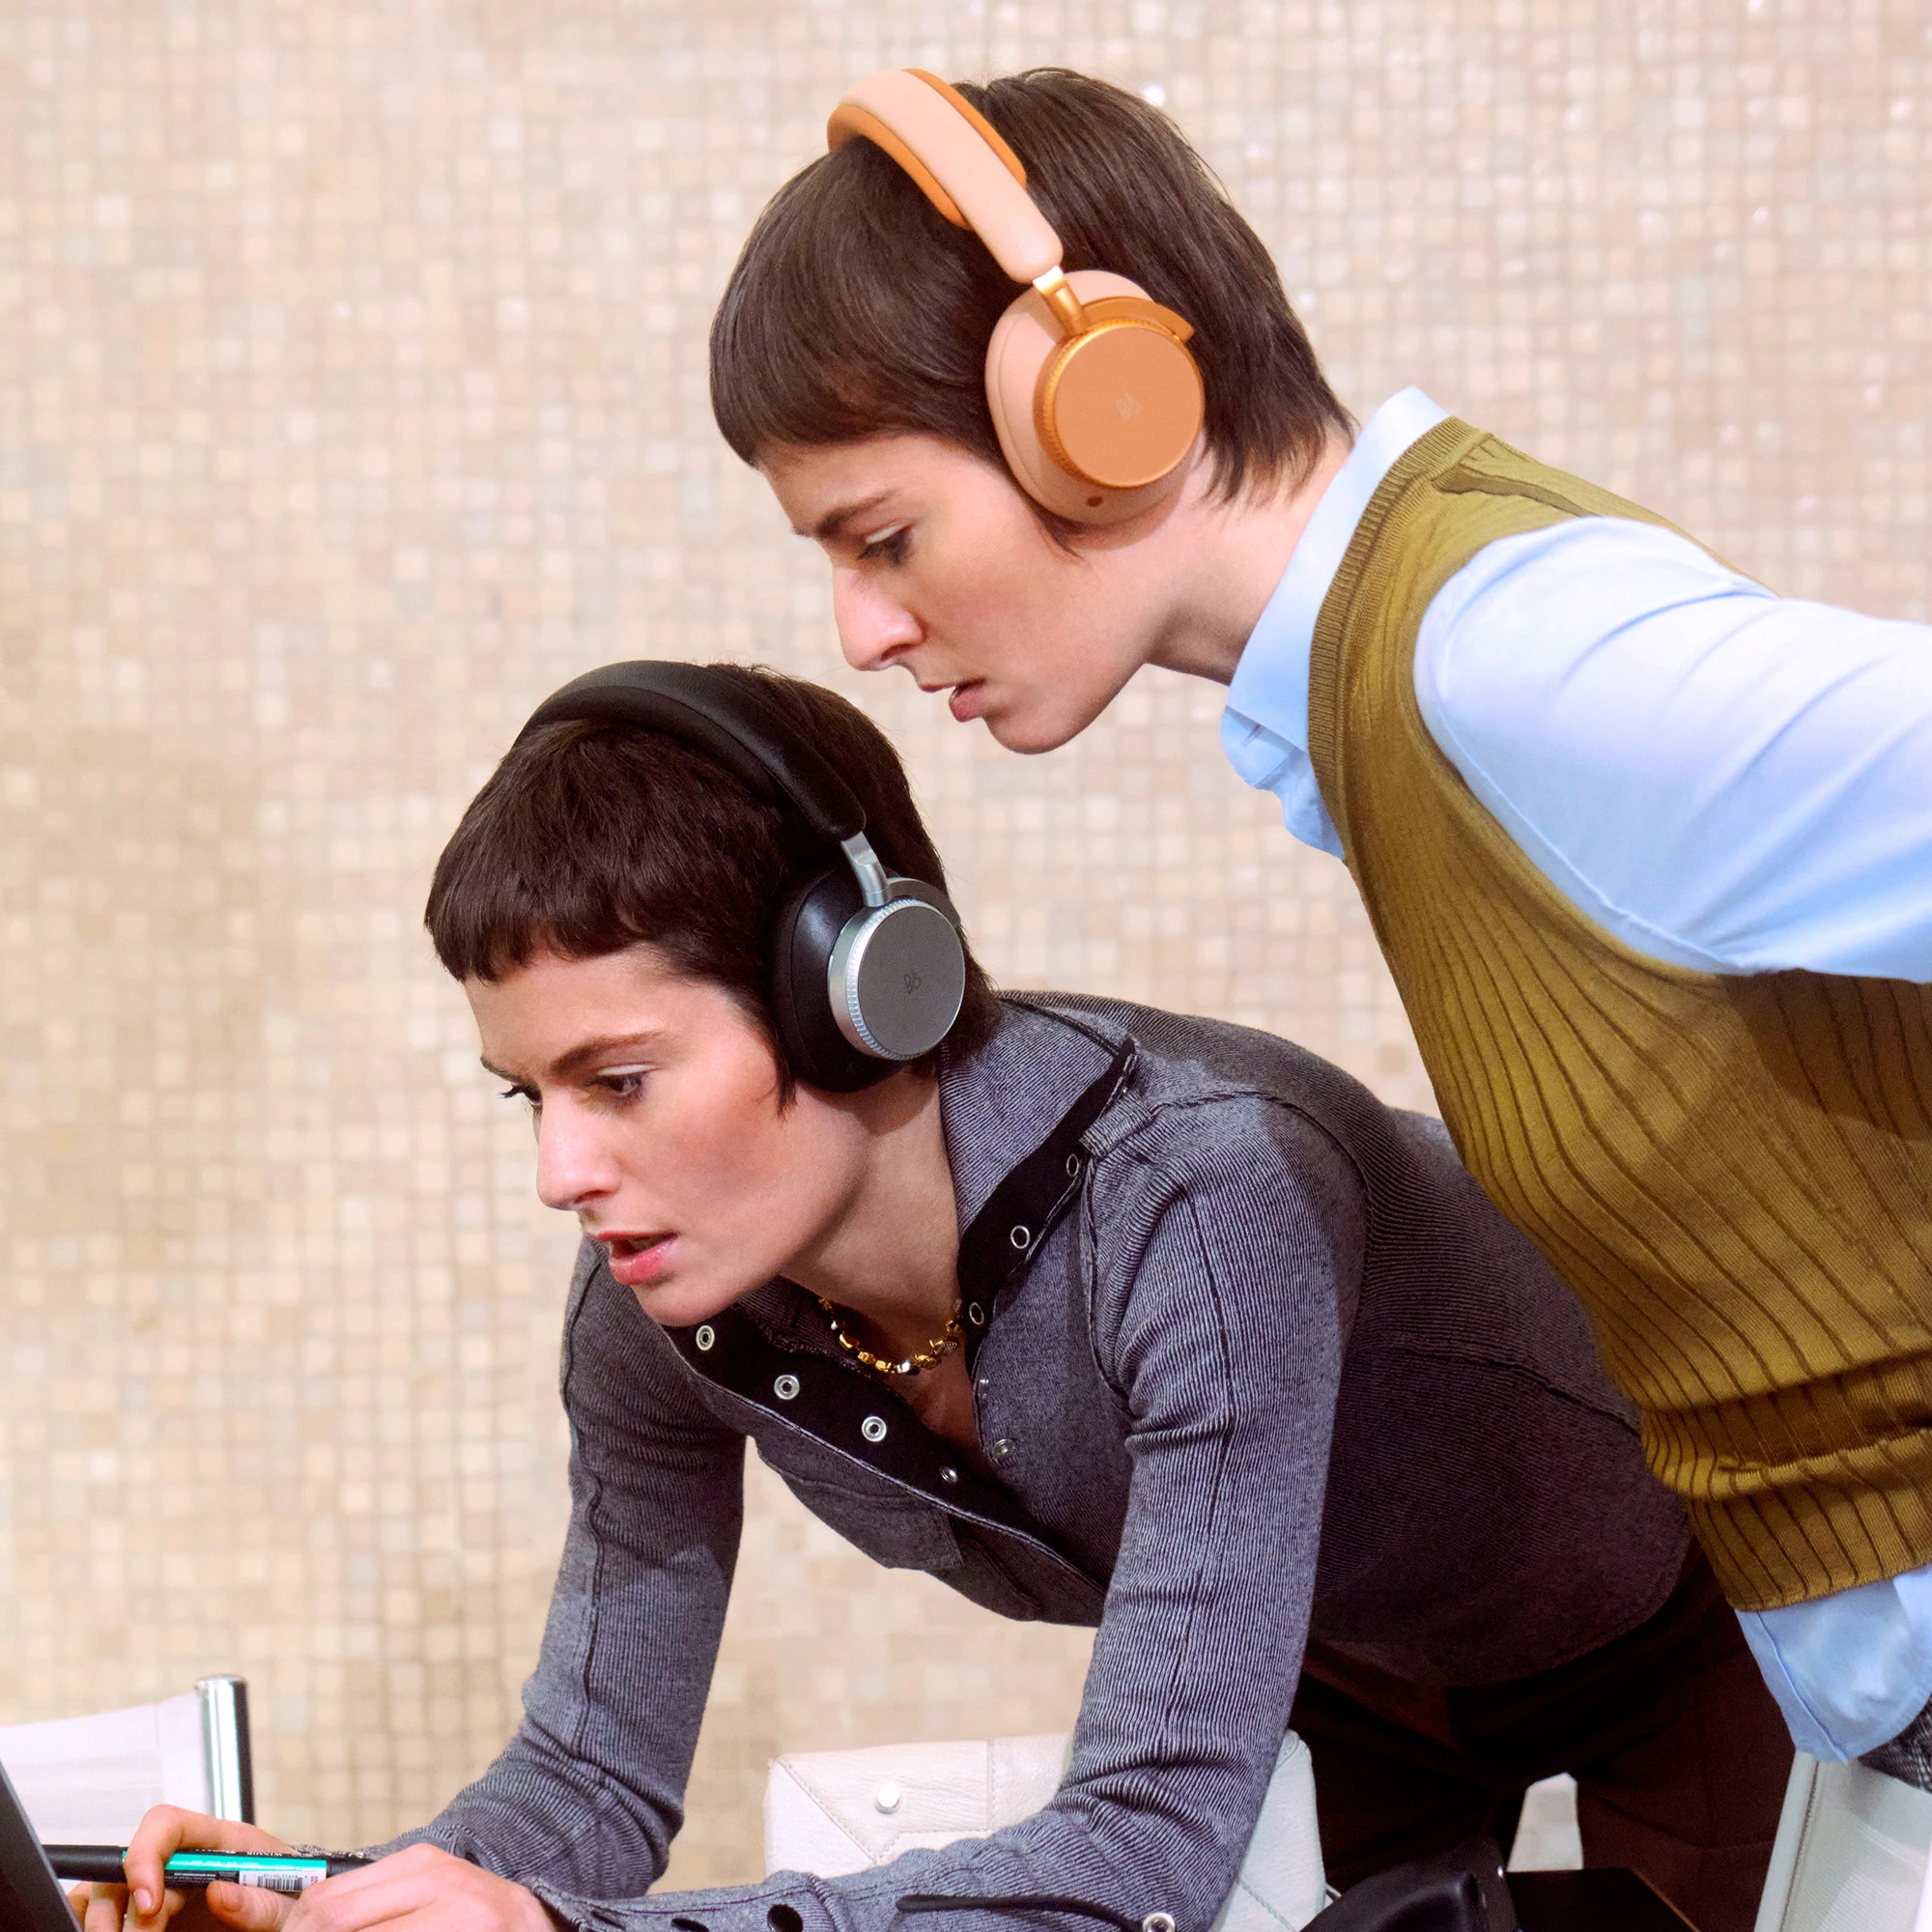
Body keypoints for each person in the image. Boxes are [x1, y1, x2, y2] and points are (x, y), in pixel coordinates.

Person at [94, 664, 1786, 1932]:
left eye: (618, 1080)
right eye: (526, 1096)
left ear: (860, 998)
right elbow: (595, 1784)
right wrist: (348, 1895)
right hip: (1339, 1663)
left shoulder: (1204, 1194)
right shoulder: (657, 1315)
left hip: (1691, 1608)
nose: (561, 1173)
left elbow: (1136, 1860)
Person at [706, 65, 1932, 1787]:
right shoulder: (1384, 703)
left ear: (1102, 405)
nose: (859, 630)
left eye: (885, 536)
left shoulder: (1503, 661)